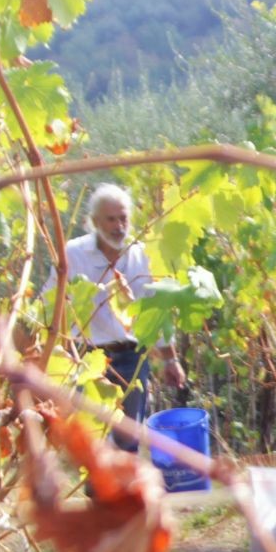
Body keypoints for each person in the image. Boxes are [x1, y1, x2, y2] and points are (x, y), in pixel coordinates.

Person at [48, 183, 186, 450]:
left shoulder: (142, 256)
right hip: (87, 358)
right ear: (95, 222)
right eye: (111, 219)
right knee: (91, 435)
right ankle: (95, 491)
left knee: (128, 434)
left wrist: (171, 359)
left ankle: (125, 491)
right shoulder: (73, 255)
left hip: (132, 357)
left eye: (123, 218)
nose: (118, 226)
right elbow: (51, 301)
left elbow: (155, 313)